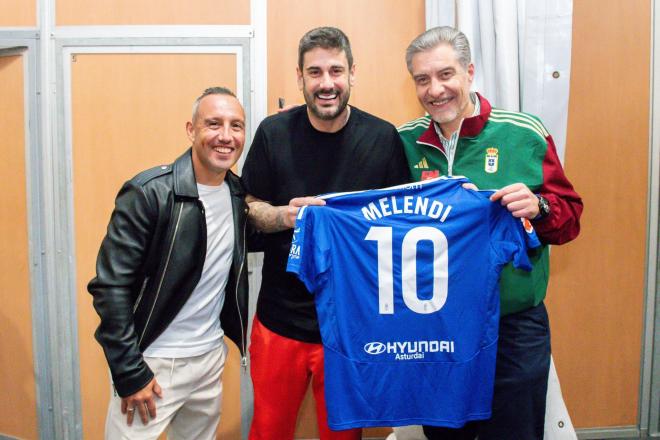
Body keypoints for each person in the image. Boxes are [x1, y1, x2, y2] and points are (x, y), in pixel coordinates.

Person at [398, 26, 583, 440]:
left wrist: (540, 208)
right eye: (422, 79)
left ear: (470, 72)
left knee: (515, 433)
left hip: (513, 329)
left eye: (446, 74)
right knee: (445, 433)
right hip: (436, 330)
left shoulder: (523, 132)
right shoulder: (403, 142)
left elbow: (570, 217)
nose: (435, 89)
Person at [241, 26, 410, 439]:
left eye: (336, 70)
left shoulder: (383, 138)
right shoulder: (273, 133)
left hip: (352, 327)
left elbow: (403, 229)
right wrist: (284, 216)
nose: (327, 83)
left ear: (353, 73)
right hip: (280, 321)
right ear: (299, 78)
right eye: (314, 73)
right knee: (268, 430)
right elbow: (247, 206)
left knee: (344, 435)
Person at [88, 87, 250, 439]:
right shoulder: (149, 193)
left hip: (209, 359)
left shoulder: (236, 193)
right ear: (191, 130)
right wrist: (130, 371)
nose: (226, 136)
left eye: (236, 126)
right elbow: (109, 288)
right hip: (153, 363)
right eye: (213, 124)